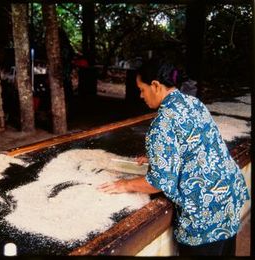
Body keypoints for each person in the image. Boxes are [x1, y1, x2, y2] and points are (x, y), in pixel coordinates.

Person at [97, 59, 250, 256]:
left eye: (142, 89)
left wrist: (124, 185)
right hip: (229, 198)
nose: (141, 95)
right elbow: (198, 145)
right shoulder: (193, 103)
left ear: (155, 85)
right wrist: (158, 157)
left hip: (205, 213)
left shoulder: (162, 123)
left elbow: (159, 182)